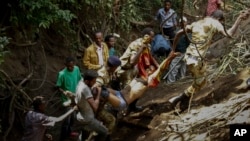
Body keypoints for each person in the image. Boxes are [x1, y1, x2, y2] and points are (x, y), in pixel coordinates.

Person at [168, 10, 250, 112]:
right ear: (219, 19)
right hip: (196, 59)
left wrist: (173, 49)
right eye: (221, 21)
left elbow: (179, 33)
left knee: (200, 81)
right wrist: (239, 19)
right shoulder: (216, 23)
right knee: (201, 82)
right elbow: (229, 34)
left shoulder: (197, 23)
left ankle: (184, 102)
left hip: (189, 57)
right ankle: (179, 98)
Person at [117, 27, 159, 112]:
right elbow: (132, 61)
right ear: (146, 36)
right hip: (126, 69)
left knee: (140, 87)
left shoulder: (147, 45)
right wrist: (141, 49)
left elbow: (149, 57)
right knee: (128, 91)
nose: (153, 39)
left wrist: (158, 66)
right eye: (151, 36)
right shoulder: (136, 44)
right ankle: (121, 110)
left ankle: (131, 107)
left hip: (135, 69)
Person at [74, 70, 110, 141]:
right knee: (105, 132)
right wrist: (99, 93)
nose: (95, 83)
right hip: (88, 119)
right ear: (87, 81)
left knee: (83, 135)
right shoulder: (85, 89)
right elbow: (95, 107)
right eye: (93, 81)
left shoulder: (80, 83)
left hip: (80, 116)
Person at [56, 57, 82, 141]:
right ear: (66, 65)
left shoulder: (77, 69)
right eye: (69, 66)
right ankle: (63, 137)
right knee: (66, 120)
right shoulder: (62, 74)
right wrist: (64, 92)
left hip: (75, 98)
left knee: (73, 117)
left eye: (72, 66)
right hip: (67, 100)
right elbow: (58, 86)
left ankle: (69, 133)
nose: (71, 68)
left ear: (74, 64)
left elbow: (79, 79)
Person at [166, 16, 191, 83]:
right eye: (181, 22)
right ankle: (175, 80)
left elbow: (189, 42)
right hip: (179, 52)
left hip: (183, 52)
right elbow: (175, 41)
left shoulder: (188, 31)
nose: (182, 23)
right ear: (179, 23)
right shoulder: (177, 31)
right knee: (178, 66)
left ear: (186, 22)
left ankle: (174, 81)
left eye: (184, 22)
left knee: (178, 66)